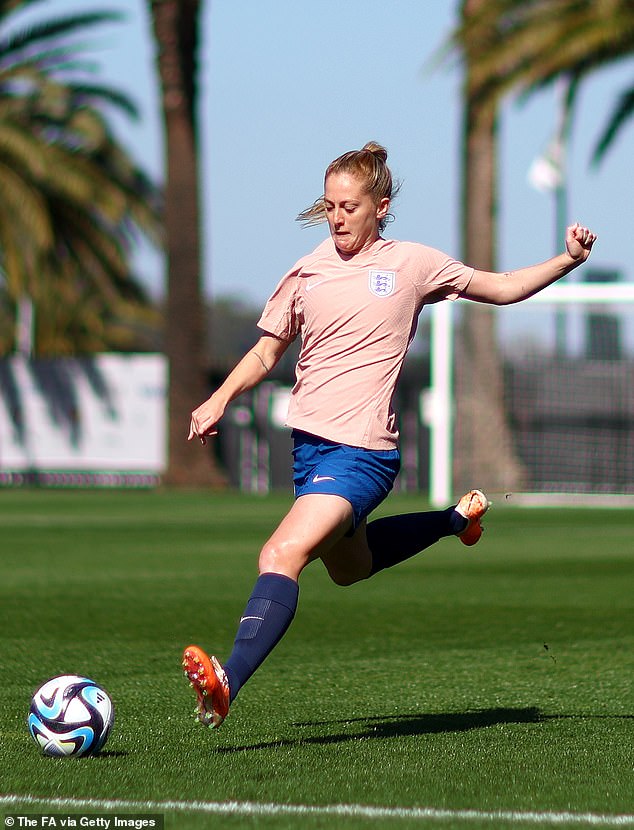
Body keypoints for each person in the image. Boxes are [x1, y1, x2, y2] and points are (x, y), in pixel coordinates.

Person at [183, 142, 597, 729]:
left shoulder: (412, 264)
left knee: (280, 553)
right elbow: (266, 350)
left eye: (349, 206)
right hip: (310, 454)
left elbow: (500, 287)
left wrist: (567, 259)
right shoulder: (307, 271)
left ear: (380, 205)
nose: (337, 217)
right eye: (329, 206)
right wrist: (220, 396)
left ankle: (227, 682)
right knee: (351, 567)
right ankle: (455, 521)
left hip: (362, 455)